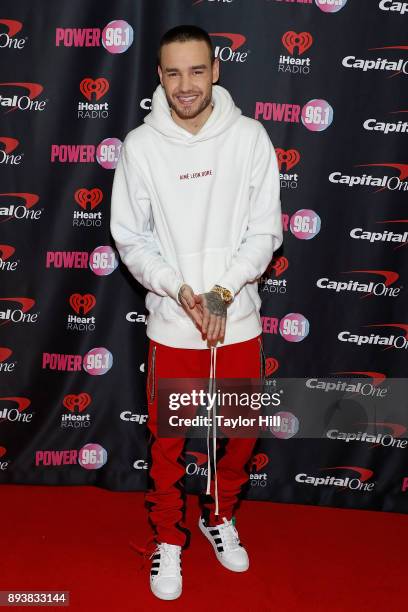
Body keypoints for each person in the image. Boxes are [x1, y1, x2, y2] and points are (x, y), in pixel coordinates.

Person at [110, 24, 283, 601]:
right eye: (174, 73)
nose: (186, 85)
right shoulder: (140, 147)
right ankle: (167, 539)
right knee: (167, 445)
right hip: (172, 325)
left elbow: (266, 232)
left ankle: (218, 516)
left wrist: (222, 292)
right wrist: (179, 290)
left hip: (237, 323)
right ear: (159, 76)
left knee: (238, 439)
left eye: (197, 70)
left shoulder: (251, 138)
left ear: (216, 71)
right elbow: (131, 239)